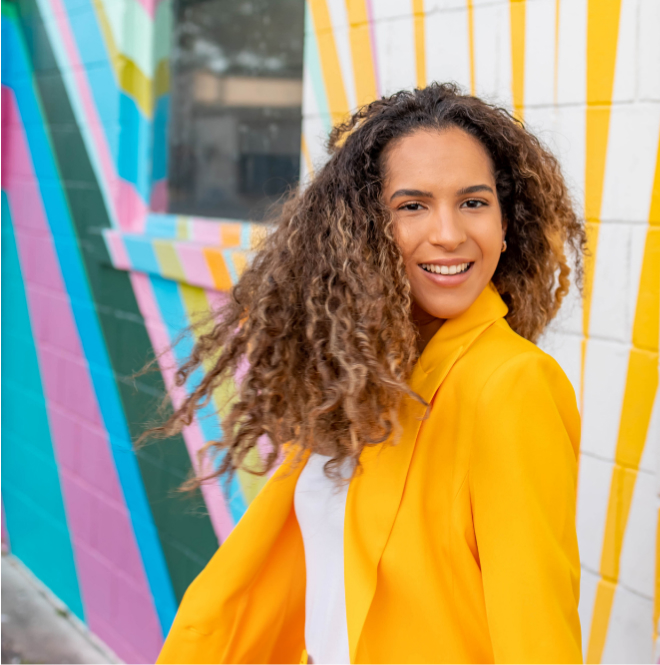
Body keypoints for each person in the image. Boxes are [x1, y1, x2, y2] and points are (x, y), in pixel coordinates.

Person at [156, 83, 586, 664]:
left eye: (473, 202)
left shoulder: (512, 384)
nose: (449, 233)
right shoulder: (362, 377)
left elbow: (536, 631)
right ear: (365, 229)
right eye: (412, 206)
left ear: (506, 223)